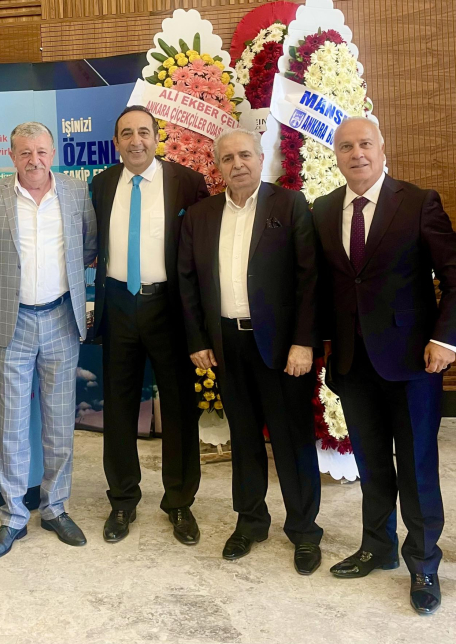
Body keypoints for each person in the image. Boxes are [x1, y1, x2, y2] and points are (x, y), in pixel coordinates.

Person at [313, 117, 456, 614]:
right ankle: (378, 546)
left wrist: (445, 338)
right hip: (353, 363)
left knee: (417, 467)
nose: (357, 153)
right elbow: (325, 287)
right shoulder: (324, 209)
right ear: (336, 154)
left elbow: (454, 275)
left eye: (365, 144)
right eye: (346, 146)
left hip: (414, 363)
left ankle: (424, 562)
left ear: (381, 148)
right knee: (371, 464)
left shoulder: (418, 202)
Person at [178, 129, 323, 574]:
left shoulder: (289, 205)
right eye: (227, 158)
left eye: (245, 155)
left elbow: (309, 279)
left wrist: (303, 342)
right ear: (218, 166)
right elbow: (187, 281)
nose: (237, 164)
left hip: (281, 347)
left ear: (261, 158)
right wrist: (198, 340)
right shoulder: (200, 215)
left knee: (291, 439)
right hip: (227, 343)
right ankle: (251, 521)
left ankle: (303, 530)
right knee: (242, 437)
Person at [0, 121, 97, 559]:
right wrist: (4, 290)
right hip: (12, 320)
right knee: (11, 424)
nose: (33, 160)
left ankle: (55, 508)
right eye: (25, 152)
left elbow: (88, 248)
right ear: (12, 156)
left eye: (41, 151)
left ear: (52, 153)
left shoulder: (76, 192)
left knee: (59, 421)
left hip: (61, 317)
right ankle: (14, 516)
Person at [91, 105, 208, 546]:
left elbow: (201, 252)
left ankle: (179, 500)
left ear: (157, 137)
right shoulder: (102, 184)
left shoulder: (187, 182)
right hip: (118, 304)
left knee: (179, 407)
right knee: (118, 406)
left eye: (143, 132)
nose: (135, 140)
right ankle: (123, 498)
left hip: (170, 306)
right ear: (116, 142)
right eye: (127, 133)